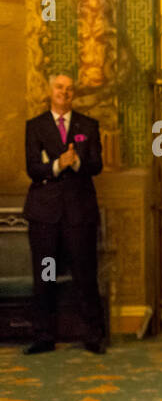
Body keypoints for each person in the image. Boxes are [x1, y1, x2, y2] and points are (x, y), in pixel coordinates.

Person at [23, 73, 107, 355]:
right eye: (59, 87)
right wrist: (58, 164)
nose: (64, 92)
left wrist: (77, 161)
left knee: (85, 275)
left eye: (69, 89)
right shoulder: (35, 126)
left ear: (74, 94)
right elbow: (34, 168)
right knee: (45, 276)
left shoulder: (88, 126)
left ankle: (93, 335)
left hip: (79, 215)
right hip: (45, 218)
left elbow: (96, 165)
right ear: (50, 91)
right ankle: (44, 335)